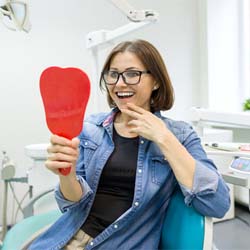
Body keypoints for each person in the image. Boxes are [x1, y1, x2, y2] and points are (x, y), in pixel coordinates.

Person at [29, 39, 230, 250]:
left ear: (156, 81)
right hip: (67, 239)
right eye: (113, 74)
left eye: (133, 74)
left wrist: (164, 137)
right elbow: (72, 204)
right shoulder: (90, 129)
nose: (120, 83)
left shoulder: (180, 135)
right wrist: (66, 174)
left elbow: (217, 203)